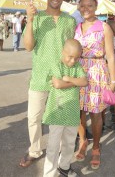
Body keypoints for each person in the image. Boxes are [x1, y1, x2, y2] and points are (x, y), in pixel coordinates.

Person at [19, 0, 76, 168]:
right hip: (39, 76)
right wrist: (30, 19)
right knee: (34, 117)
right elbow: (28, 47)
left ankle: (58, 152)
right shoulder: (38, 17)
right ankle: (34, 150)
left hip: (60, 78)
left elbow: (72, 50)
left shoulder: (70, 20)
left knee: (58, 119)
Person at [74, 0, 115, 169]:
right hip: (79, 71)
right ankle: (83, 141)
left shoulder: (104, 27)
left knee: (96, 113)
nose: (86, 9)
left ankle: (96, 147)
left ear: (96, 7)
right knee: (79, 112)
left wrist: (113, 81)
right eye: (82, 6)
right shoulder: (76, 27)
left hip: (98, 71)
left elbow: (111, 57)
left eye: (89, 5)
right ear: (78, 8)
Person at [43, 39, 87, 177]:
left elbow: (84, 81)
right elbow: (57, 84)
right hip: (57, 112)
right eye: (70, 57)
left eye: (77, 57)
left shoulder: (78, 67)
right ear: (63, 52)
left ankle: (64, 167)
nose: (73, 61)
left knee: (69, 143)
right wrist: (75, 83)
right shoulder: (56, 64)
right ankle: (49, 174)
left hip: (72, 113)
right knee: (53, 146)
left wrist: (69, 79)